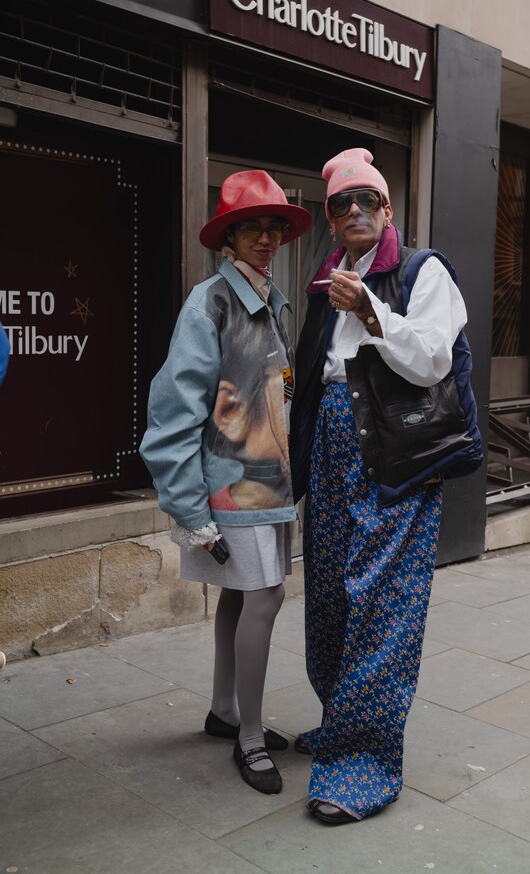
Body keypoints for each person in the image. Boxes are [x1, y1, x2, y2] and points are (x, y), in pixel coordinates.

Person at [290, 148, 481, 824]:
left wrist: (371, 311)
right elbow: (313, 375)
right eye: (341, 203)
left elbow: (431, 359)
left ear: (388, 208)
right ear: (330, 217)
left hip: (398, 452)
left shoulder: (423, 272)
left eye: (366, 199)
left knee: (381, 601)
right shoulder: (326, 280)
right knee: (329, 594)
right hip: (331, 447)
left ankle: (363, 762)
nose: (355, 211)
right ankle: (341, 720)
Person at [140, 170, 311, 796]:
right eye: (251, 227)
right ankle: (250, 736)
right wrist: (189, 508)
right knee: (264, 598)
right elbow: (172, 410)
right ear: (228, 238)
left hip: (267, 485)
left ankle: (224, 710)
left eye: (274, 227)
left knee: (242, 598)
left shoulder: (270, 299)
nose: (265, 237)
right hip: (231, 488)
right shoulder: (210, 302)